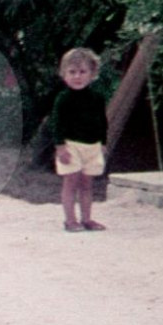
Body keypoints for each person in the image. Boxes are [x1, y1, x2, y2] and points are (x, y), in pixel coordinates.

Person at [52, 46, 109, 232]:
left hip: (93, 146)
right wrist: (60, 147)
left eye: (82, 72)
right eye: (72, 72)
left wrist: (103, 143)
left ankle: (87, 219)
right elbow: (57, 124)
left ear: (92, 74)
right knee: (71, 182)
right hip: (71, 146)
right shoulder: (63, 99)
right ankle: (70, 220)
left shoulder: (97, 98)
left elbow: (102, 121)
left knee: (87, 184)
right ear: (64, 74)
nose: (77, 76)